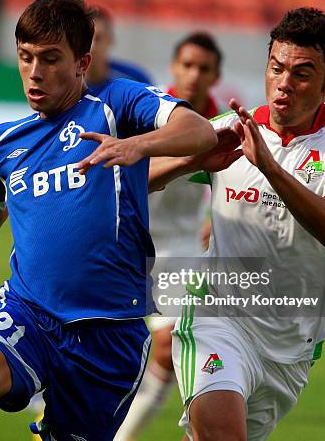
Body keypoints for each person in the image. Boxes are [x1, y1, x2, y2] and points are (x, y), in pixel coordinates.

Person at [0, 0, 217, 441]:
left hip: (109, 331)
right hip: (28, 311)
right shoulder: (3, 143)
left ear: (82, 62)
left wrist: (138, 145)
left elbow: (198, 131)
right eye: (26, 58)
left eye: (50, 59)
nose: (35, 72)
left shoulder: (115, 105)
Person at [149, 7, 325, 440]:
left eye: (302, 74)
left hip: (290, 345)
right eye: (277, 68)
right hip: (216, 318)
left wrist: (270, 168)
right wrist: (189, 160)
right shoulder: (232, 130)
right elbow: (137, 182)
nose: (284, 84)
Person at [116, 31, 226, 441]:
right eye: (188, 65)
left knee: (168, 350)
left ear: (216, 76)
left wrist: (219, 215)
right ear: (174, 68)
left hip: (179, 251)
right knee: (107, 348)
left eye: (204, 68)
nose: (194, 74)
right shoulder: (151, 111)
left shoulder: (224, 126)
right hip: (127, 243)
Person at [85, 6, 153, 90]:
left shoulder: (137, 80)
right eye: (86, 39)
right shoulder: (67, 83)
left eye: (98, 38)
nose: (92, 46)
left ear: (110, 41)